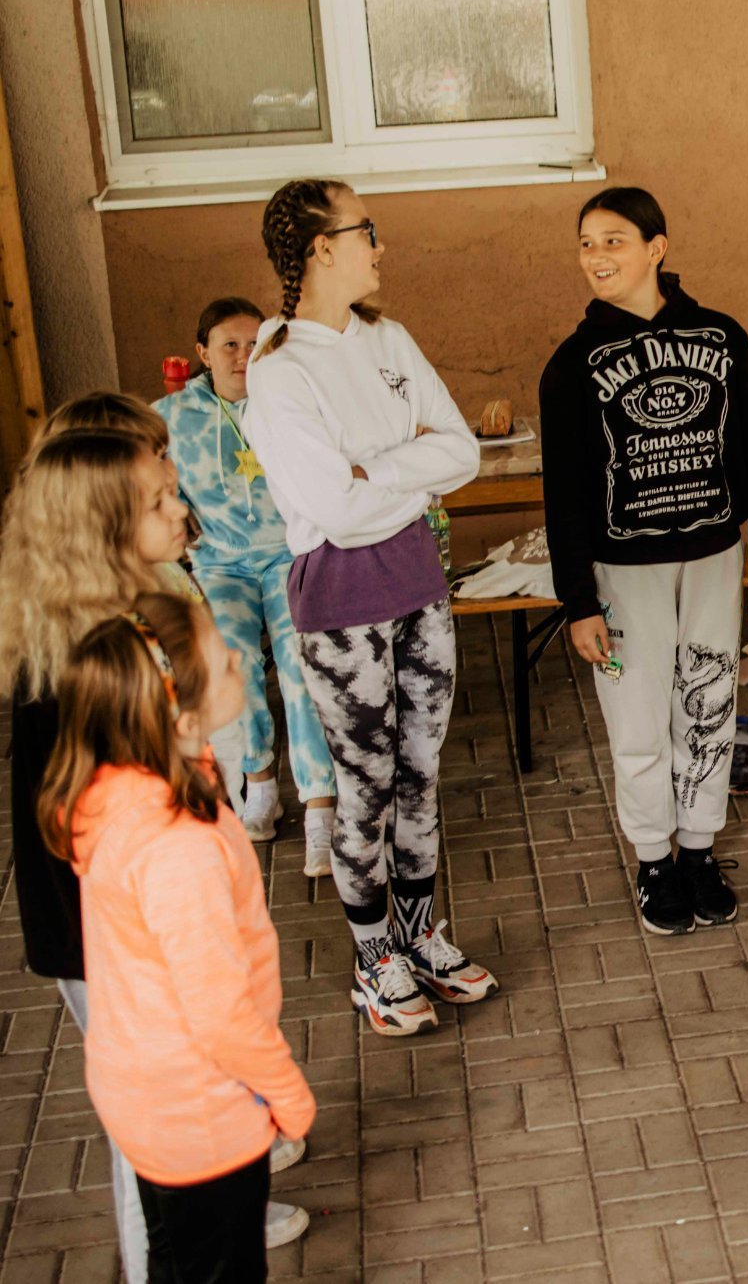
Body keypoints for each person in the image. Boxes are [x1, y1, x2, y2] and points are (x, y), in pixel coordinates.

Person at [0, 428, 310, 1277]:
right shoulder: (88, 661)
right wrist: (280, 1092)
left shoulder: (137, 625)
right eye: (160, 501)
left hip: (158, 982)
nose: (183, 511)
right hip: (113, 955)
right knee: (165, 1190)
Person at [245, 177, 496, 1037]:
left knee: (423, 777)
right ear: (321, 248)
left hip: (419, 585)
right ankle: (373, 959)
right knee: (368, 789)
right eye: (367, 230)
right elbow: (335, 512)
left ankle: (419, 938)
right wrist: (407, 478)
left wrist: (375, 473)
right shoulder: (279, 368)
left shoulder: (389, 337)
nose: (380, 246)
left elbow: (461, 451)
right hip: (341, 602)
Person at [41, 593, 317, 1281]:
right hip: (201, 1111)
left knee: (174, 1261)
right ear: (183, 719)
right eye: (225, 661)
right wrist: (288, 1093)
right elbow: (218, 1008)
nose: (239, 663)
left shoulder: (117, 791)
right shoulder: (177, 846)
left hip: (146, 1094)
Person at [538, 186, 748, 936]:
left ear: (657, 247)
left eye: (613, 240)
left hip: (713, 557)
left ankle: (700, 850)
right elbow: (564, 494)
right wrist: (578, 600)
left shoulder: (721, 336)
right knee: (639, 719)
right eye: (586, 243)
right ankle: (654, 858)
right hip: (623, 571)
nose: (596, 256)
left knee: (708, 706)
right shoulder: (572, 365)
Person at [159, 297, 339, 871]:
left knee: (300, 663)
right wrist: (173, 507)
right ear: (203, 352)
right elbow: (141, 475)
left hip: (289, 554)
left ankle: (320, 806)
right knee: (231, 659)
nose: (242, 356)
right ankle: (258, 782)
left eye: (251, 344)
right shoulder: (169, 415)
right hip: (219, 562)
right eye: (228, 345)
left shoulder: (287, 400)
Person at [44, 392, 254, 815]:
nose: (171, 475)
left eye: (164, 454)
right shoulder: (94, 639)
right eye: (155, 461)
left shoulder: (165, 571)